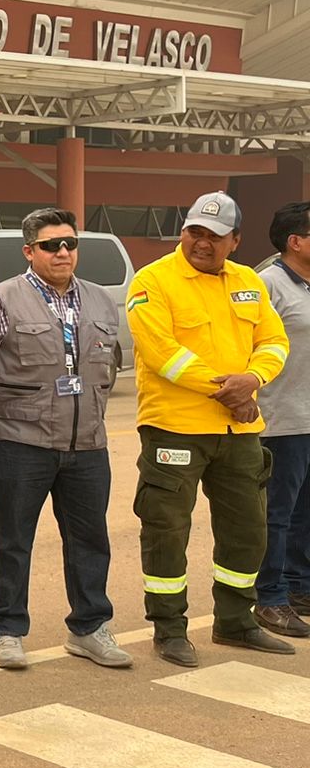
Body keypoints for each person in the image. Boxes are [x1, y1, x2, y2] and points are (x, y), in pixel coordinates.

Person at [127, 192, 296, 665]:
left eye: (215, 237)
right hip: (175, 429)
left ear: (235, 241)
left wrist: (254, 380)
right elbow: (161, 353)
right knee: (167, 529)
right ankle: (169, 628)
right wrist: (230, 391)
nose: (203, 243)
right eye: (195, 232)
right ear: (183, 232)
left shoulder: (248, 282)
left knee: (248, 529)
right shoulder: (153, 280)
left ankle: (237, 622)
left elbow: (274, 341)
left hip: (239, 433)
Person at [0, 208, 132, 671]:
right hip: (19, 443)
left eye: (70, 244)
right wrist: (12, 408)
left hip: (88, 444)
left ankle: (90, 628)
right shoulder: (1, 299)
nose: (63, 252)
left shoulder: (98, 300)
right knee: (13, 539)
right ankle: (8, 629)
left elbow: (104, 371)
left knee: (90, 539)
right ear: (29, 251)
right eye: (52, 245)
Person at [256, 201, 310, 637]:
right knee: (276, 515)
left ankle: (300, 587)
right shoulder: (266, 285)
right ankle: (269, 597)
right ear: (295, 241)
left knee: (306, 513)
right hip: (280, 421)